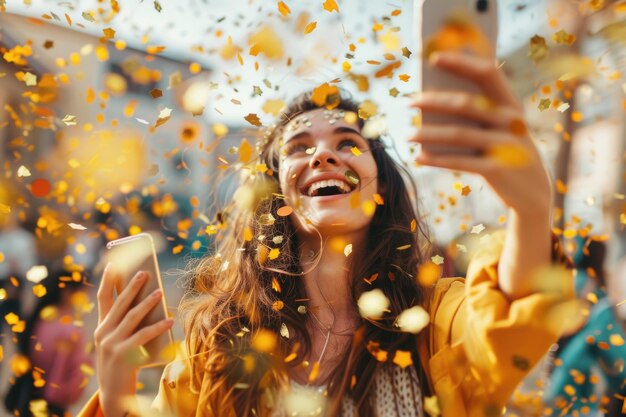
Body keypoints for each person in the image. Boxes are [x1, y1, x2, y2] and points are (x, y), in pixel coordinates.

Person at [78, 51, 573, 417]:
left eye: (347, 142)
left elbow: (511, 325)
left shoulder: (437, 318)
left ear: (381, 182)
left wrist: (531, 209)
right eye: (299, 146)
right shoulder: (221, 338)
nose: (322, 155)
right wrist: (116, 389)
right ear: (277, 193)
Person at [4, 268, 93, 417]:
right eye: (82, 294)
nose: (85, 299)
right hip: (51, 406)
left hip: (30, 399)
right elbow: (59, 377)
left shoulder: (39, 319)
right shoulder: (69, 329)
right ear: (66, 292)